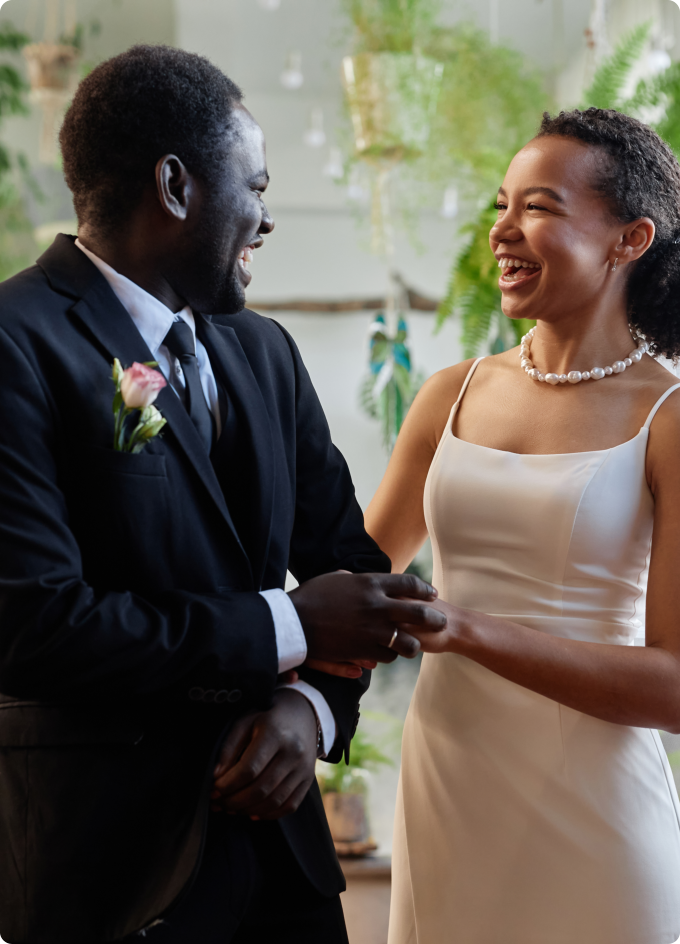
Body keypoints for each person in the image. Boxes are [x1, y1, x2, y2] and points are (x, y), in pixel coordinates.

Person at [0, 45, 447, 944]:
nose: (268, 218)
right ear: (175, 186)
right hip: (102, 872)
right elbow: (32, 624)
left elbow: (354, 573)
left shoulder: (267, 354)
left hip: (283, 861)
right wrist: (288, 626)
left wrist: (310, 710)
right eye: (257, 186)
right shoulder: (18, 339)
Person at [364, 108, 680, 944]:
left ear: (629, 239)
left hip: (597, 809)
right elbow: (353, 577)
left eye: (538, 207)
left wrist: (465, 628)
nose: (502, 230)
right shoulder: (449, 393)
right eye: (501, 204)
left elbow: (676, 686)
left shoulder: (671, 418)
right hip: (449, 784)